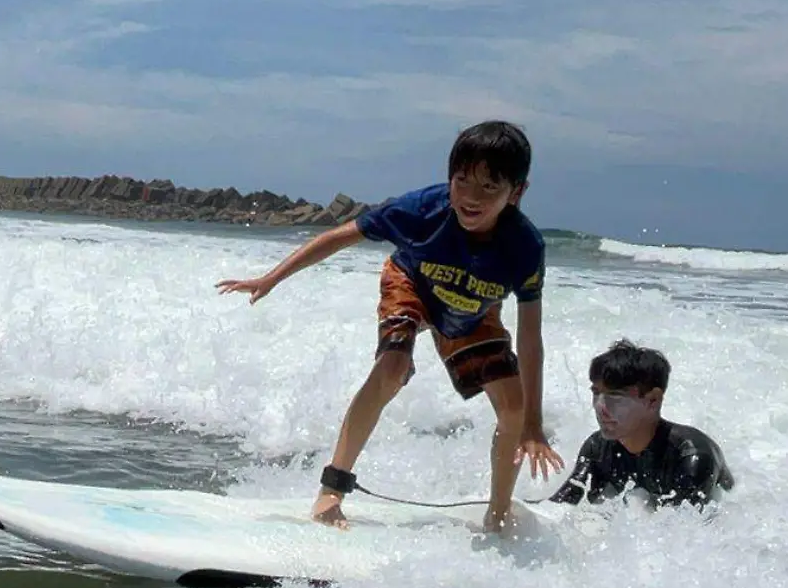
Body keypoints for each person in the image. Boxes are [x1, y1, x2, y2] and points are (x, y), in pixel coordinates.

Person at [218, 120, 562, 533]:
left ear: (517, 192)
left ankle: (499, 513)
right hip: (410, 284)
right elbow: (341, 236)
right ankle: (332, 490)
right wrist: (271, 278)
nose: (471, 198)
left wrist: (533, 425)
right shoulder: (422, 210)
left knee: (513, 406)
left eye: (489, 188)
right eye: (462, 182)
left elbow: (530, 337)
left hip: (473, 311)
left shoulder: (525, 248)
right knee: (392, 368)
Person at [550, 340, 734, 509]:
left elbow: (688, 536)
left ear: (653, 400)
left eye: (615, 396)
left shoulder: (692, 458)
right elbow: (558, 507)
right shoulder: (598, 448)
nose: (600, 407)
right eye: (596, 393)